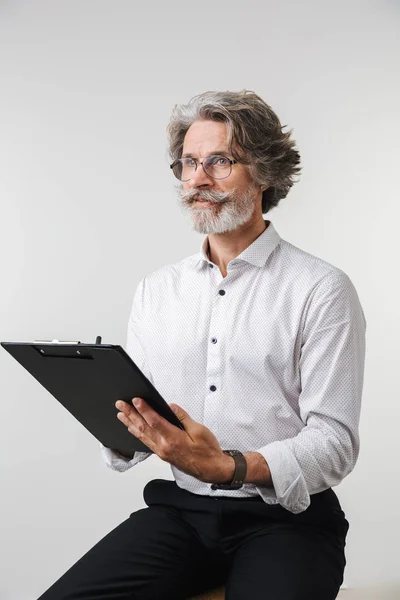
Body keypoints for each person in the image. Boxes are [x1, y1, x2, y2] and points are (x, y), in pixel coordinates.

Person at [38, 90, 366, 600]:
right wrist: (114, 417)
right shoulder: (157, 290)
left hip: (288, 523)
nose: (197, 179)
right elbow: (143, 423)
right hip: (182, 515)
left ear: (264, 172)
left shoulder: (320, 288)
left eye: (218, 161)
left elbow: (334, 444)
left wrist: (229, 466)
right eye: (188, 163)